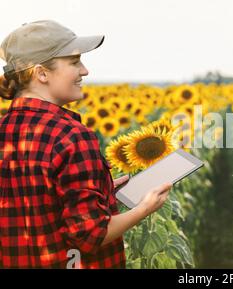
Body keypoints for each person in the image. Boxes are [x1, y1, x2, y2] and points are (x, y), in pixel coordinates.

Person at [0, 20, 172, 268]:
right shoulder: (71, 136)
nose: (84, 71)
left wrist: (101, 192)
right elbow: (91, 234)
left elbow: (32, 199)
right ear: (41, 73)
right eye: (74, 62)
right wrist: (143, 209)